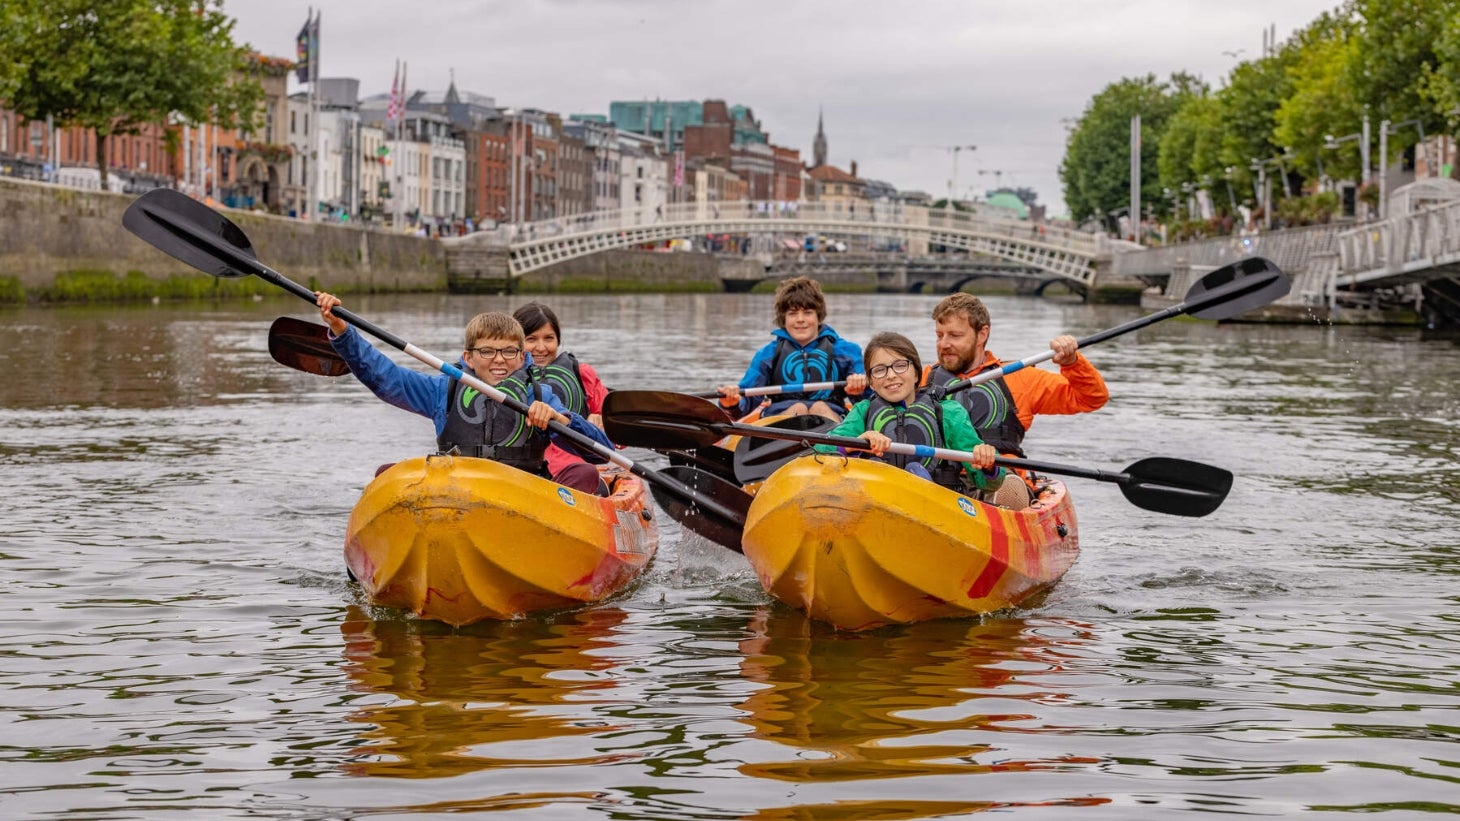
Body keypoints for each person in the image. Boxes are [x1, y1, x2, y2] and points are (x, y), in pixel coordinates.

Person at [314, 292, 613, 496]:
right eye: (487, 351)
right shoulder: (442, 390)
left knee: (584, 474)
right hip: (457, 494)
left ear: (522, 357)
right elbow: (385, 377)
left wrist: (564, 420)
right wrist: (342, 331)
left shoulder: (540, 396)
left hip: (525, 496)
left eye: (509, 351)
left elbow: (600, 452)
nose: (499, 359)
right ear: (468, 358)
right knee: (388, 474)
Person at [811, 332, 1025, 508]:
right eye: (879, 370)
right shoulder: (863, 411)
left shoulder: (948, 412)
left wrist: (987, 462)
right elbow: (822, 448)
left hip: (939, 506)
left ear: (916, 373)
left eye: (900, 366)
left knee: (922, 473)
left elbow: (989, 482)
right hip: (877, 503)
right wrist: (854, 445)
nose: (891, 375)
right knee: (874, 466)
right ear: (872, 383)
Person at [924, 292, 1108, 460]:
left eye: (955, 335)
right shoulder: (923, 378)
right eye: (939, 336)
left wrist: (1072, 363)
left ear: (982, 335)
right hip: (932, 482)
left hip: (1000, 483)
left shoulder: (1021, 378)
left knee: (1007, 489)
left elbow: (1091, 398)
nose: (944, 344)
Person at [716, 276, 868, 422]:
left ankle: (829, 445)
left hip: (832, 415)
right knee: (799, 408)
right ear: (784, 318)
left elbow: (868, 402)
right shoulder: (767, 354)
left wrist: (859, 390)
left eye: (808, 313)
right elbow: (745, 405)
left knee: (820, 407)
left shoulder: (846, 351)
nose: (800, 319)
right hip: (781, 417)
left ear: (819, 317)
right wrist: (731, 403)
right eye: (793, 313)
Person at [513, 301, 611, 486]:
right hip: (524, 469)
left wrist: (601, 422)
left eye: (549, 338)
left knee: (586, 473)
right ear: (515, 342)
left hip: (573, 468)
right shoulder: (503, 376)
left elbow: (616, 440)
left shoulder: (582, 374)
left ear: (558, 340)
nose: (541, 348)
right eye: (531, 339)